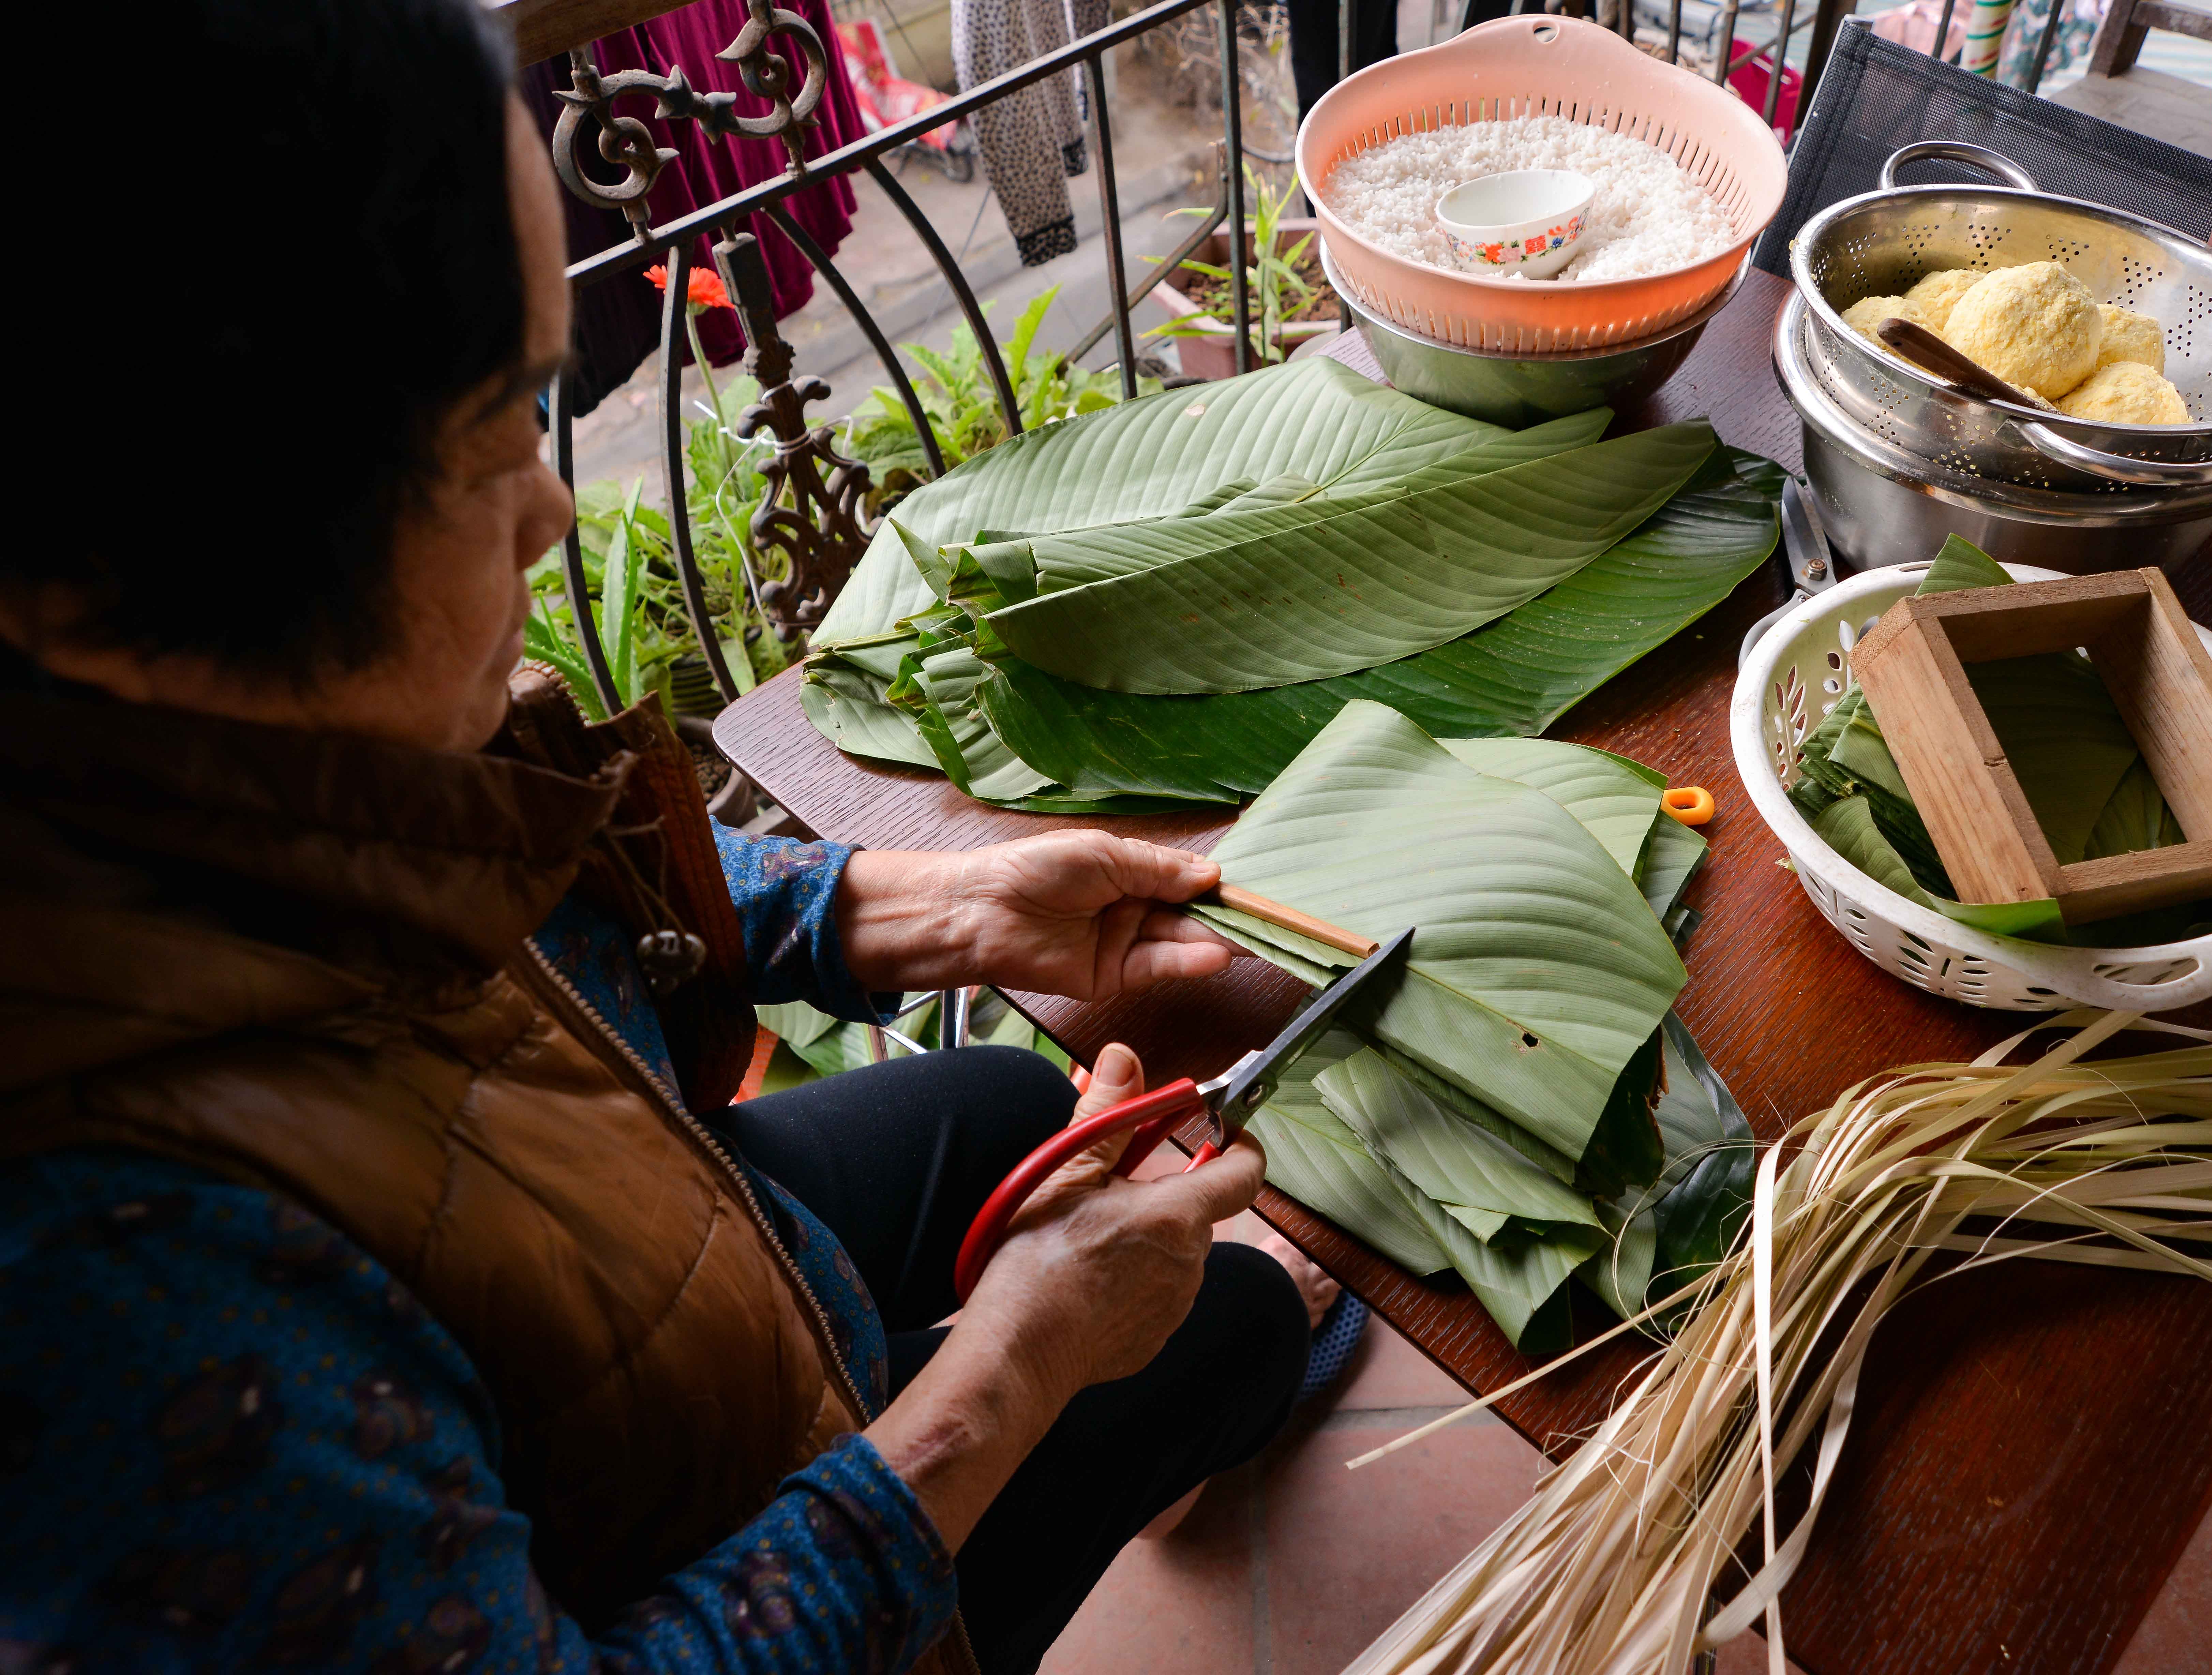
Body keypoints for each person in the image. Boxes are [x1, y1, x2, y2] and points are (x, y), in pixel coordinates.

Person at [0, 3, 1335, 1670]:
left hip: (597, 1225)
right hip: (695, 1544)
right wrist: (1007, 1376)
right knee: (1212, 1328)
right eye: (487, 429)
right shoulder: (124, 1291)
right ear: (144, 565)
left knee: (1009, 1100)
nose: (552, 502)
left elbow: (502, 873)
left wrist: (917, 913)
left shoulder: (203, 742)